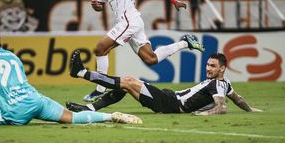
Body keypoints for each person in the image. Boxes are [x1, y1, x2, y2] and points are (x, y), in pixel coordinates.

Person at [0, 26, 142, 128]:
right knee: (71, 117)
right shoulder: (13, 56)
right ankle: (110, 116)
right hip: (36, 100)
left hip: (15, 112)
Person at [84, 0, 204, 102]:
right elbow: (99, 5)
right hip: (128, 23)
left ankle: (100, 87)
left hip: (130, 20)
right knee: (151, 59)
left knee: (100, 49)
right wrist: (96, 6)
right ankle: (184, 43)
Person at [68, 50, 262, 115]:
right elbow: (238, 99)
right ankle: (90, 109)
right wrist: (250, 110)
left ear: (222, 68)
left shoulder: (218, 85)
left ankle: (82, 72)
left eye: (212, 66)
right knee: (127, 85)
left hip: (171, 104)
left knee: (127, 81)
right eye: (208, 65)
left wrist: (203, 113)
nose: (208, 68)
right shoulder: (225, 83)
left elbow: (222, 107)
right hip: (169, 98)